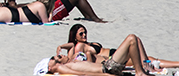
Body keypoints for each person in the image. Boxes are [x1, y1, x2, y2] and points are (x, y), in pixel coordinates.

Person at [37, 33, 169, 75]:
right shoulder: (63, 67)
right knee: (131, 39)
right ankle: (141, 72)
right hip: (108, 67)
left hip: (109, 66)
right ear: (50, 67)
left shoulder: (70, 62)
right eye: (56, 58)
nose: (60, 56)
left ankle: (146, 67)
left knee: (135, 40)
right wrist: (105, 74)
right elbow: (86, 73)